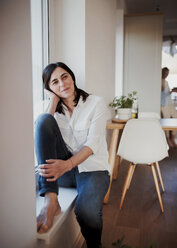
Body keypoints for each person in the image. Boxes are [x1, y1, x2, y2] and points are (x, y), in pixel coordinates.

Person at [35, 62, 110, 248]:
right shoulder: (52, 108)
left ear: (72, 77)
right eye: (54, 82)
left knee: (87, 212)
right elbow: (41, 131)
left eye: (64, 77)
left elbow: (92, 144)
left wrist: (67, 165)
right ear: (49, 89)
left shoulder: (96, 103)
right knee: (44, 120)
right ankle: (51, 200)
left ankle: (95, 246)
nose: (62, 84)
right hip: (65, 173)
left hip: (93, 170)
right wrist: (53, 102)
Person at [161, 67, 177, 148]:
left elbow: (167, 92)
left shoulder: (166, 81)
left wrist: (172, 91)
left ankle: (173, 138)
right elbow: (161, 94)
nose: (166, 75)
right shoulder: (160, 81)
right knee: (166, 121)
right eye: (165, 73)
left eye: (167, 73)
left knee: (176, 117)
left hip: (170, 103)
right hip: (164, 105)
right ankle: (168, 140)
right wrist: (171, 91)